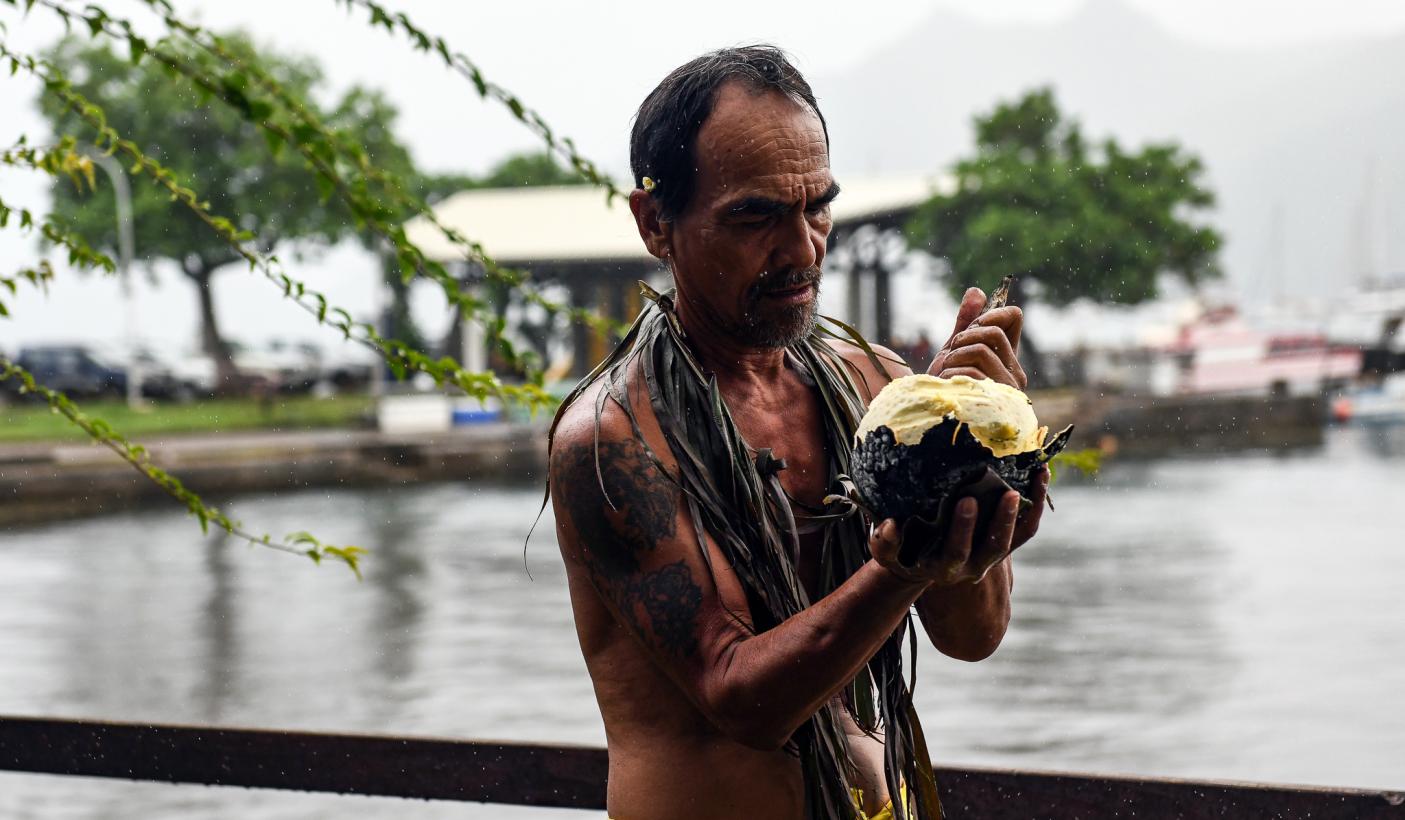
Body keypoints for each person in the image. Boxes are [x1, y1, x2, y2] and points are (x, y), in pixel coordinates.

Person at [547, 46, 1044, 820]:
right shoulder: (615, 440)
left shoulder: (876, 388)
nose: (803, 248)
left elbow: (971, 637)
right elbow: (739, 698)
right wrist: (902, 566)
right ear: (655, 223)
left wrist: (967, 466)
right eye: (755, 217)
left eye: (816, 207)